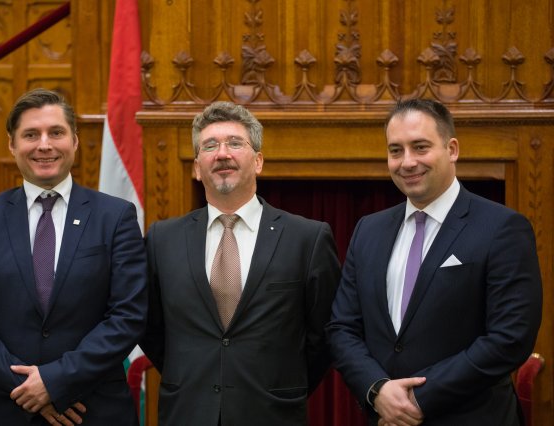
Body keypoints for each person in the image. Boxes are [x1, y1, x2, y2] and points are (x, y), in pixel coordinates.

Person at [327, 98, 542, 426]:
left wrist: (419, 399)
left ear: (452, 149)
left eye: (420, 147)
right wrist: (377, 389)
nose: (407, 162)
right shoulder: (368, 230)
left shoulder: (502, 228)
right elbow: (342, 327)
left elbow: (510, 337)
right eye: (396, 150)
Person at [0, 88, 147, 426]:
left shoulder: (115, 217)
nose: (44, 145)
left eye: (56, 132)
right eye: (30, 135)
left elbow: (128, 315)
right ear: (12, 144)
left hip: (94, 410)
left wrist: (56, 382)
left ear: (75, 141)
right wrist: (29, 389)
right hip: (11, 409)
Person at [140, 101, 341, 426]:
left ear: (258, 161)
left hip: (272, 413)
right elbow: (150, 327)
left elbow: (326, 333)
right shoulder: (162, 239)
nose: (222, 154)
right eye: (210, 146)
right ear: (197, 167)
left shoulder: (307, 238)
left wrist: (280, 385)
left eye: (235, 143)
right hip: (188, 412)